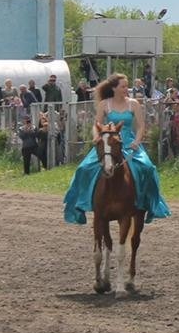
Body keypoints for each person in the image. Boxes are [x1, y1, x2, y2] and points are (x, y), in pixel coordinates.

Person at [62, 73, 171, 226]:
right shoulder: (104, 104)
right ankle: (83, 202)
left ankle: (147, 203)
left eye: (127, 86)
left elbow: (141, 126)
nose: (127, 89)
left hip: (129, 144)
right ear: (114, 88)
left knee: (148, 168)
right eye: (123, 86)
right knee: (83, 168)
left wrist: (137, 141)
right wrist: (96, 137)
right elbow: (97, 125)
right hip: (108, 143)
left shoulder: (134, 104)